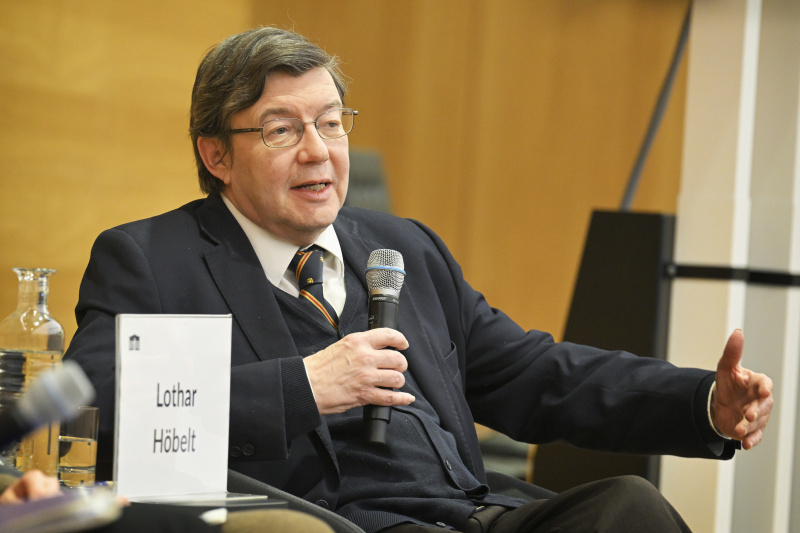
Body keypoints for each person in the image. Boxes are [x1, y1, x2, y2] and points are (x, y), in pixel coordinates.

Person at [64, 26, 773, 533]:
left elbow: (536, 373)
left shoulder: (402, 247)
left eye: (332, 123)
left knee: (627, 507)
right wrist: (302, 386)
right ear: (216, 154)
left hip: (474, 510)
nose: (318, 150)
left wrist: (701, 400)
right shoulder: (153, 260)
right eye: (282, 130)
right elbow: (91, 408)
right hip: (328, 523)